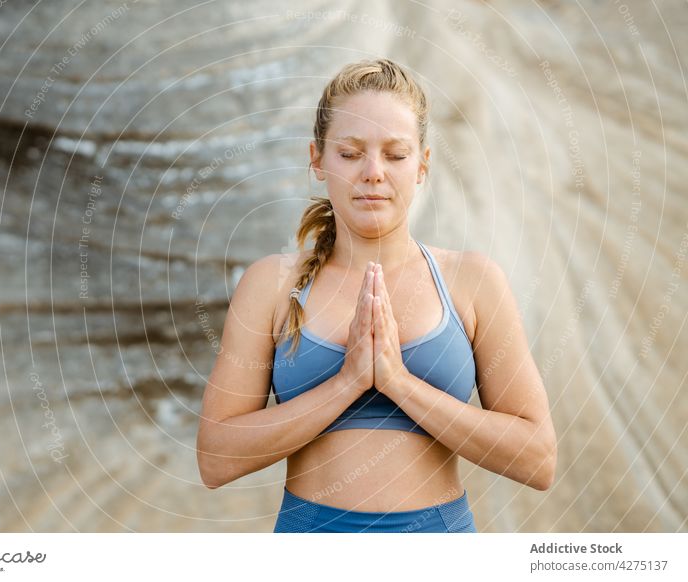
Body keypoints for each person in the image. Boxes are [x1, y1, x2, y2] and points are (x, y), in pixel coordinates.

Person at [196, 58, 556, 533]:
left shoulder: (473, 281)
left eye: (395, 154)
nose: (372, 172)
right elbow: (216, 460)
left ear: (423, 164)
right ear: (317, 159)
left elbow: (537, 459)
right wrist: (346, 383)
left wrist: (398, 382)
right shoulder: (271, 286)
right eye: (349, 153)